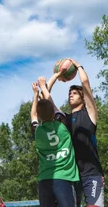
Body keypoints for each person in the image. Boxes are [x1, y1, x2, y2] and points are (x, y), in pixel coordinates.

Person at [48, 59, 104, 206]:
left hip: (92, 174)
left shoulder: (90, 113)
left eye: (74, 93)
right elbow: (46, 98)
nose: (70, 95)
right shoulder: (65, 118)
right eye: (69, 93)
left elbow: (85, 83)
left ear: (83, 98)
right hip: (72, 175)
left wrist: (77, 65)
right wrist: (56, 75)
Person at [31, 77, 79, 207]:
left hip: (45, 179)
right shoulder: (63, 125)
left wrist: (36, 95)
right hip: (64, 178)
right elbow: (52, 105)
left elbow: (33, 116)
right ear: (53, 111)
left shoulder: (38, 131)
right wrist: (44, 87)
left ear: (40, 116)